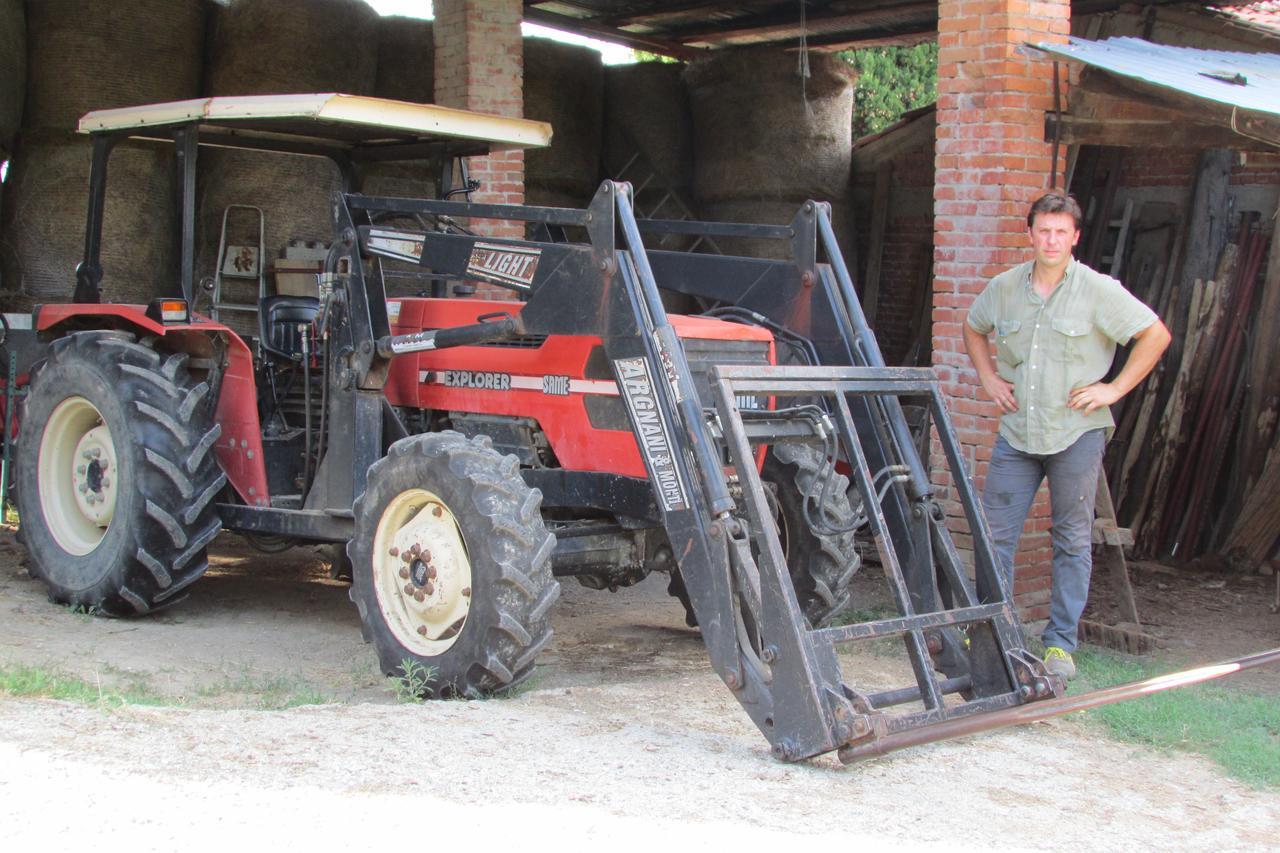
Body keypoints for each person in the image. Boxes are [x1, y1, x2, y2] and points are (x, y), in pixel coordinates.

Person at [963, 192, 1171, 680]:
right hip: (1018, 433)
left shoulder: (1098, 290)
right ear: (1030, 233)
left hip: (1076, 434)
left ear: (1075, 237)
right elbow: (973, 327)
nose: (1051, 239)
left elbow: (1155, 334)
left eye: (1061, 231)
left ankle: (1059, 644)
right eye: (1043, 230)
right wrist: (989, 378)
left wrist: (1114, 387)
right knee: (994, 535)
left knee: (1072, 539)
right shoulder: (1005, 288)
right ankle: (991, 628)